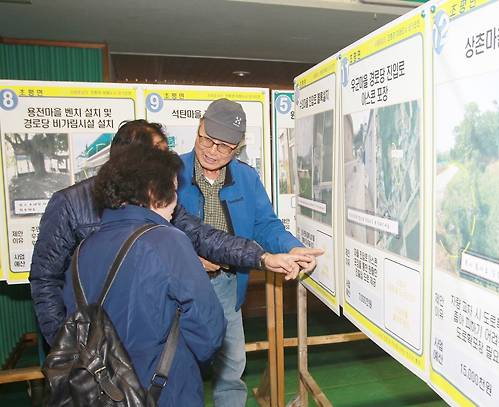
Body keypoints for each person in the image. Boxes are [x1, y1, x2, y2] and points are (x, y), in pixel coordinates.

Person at [30, 119, 310, 345]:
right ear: (131, 160)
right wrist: (63, 343)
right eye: (159, 155)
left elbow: (204, 237)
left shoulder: (161, 201)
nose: (170, 161)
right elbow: (45, 278)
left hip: (148, 332)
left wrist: (263, 258)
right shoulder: (69, 203)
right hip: (92, 339)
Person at [177, 99, 324, 407]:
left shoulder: (246, 178)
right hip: (179, 286)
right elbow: (157, 231)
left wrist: (290, 246)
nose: (211, 150)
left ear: (238, 147)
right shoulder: (172, 174)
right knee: (178, 368)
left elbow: (266, 226)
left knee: (231, 369)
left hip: (227, 284)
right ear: (198, 127)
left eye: (223, 146)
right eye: (206, 139)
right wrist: (189, 260)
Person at [62, 144, 222, 406]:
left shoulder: (82, 250)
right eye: (172, 190)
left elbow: (73, 324)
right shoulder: (168, 241)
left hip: (102, 392)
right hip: (165, 390)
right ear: (152, 191)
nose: (176, 201)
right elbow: (210, 329)